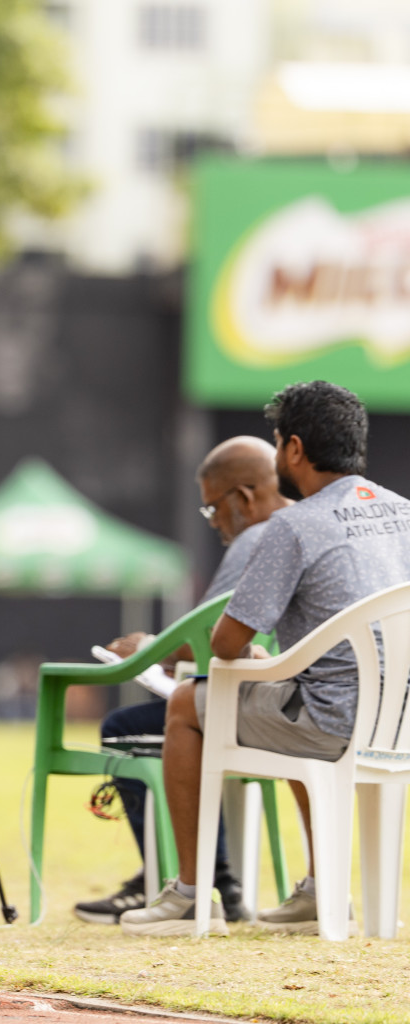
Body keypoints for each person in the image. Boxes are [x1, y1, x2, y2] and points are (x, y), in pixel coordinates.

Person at [122, 381, 410, 936]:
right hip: (399, 722)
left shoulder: (293, 524)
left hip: (331, 725)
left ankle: (189, 896)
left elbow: (226, 644)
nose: (277, 455)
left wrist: (253, 653)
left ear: (295, 450)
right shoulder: (404, 513)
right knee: (288, 692)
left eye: (278, 443)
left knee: (186, 702)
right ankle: (321, 891)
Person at [73, 436, 290, 924]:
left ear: (244, 498)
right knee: (179, 710)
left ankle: (185, 881)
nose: (212, 521)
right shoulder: (306, 528)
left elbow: (217, 637)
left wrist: (150, 648)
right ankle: (217, 879)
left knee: (128, 726)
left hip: (261, 707)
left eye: (212, 507)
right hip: (305, 701)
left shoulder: (260, 537)